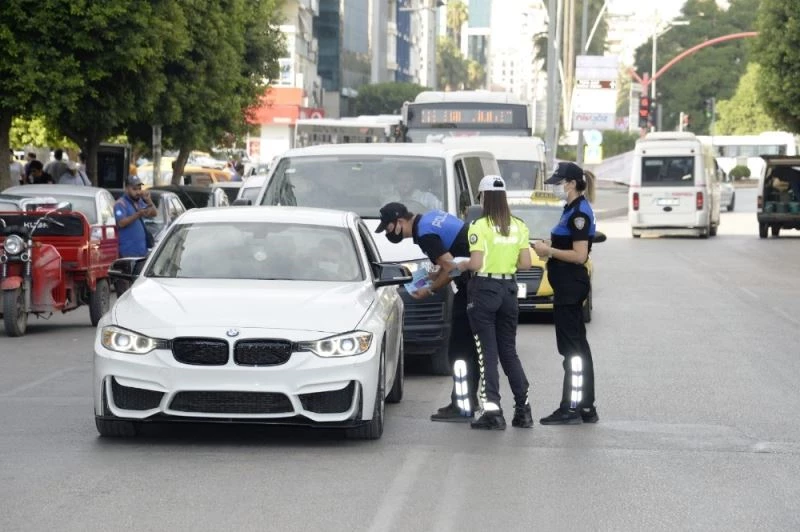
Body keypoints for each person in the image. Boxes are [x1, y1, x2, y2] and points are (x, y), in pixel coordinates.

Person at [375, 201, 480, 422]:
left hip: (471, 287)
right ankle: (467, 401)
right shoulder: (432, 217)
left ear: (400, 221)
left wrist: (430, 290)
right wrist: (434, 275)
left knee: (459, 350)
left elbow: (451, 267)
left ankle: (463, 406)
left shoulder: (424, 235)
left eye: (388, 227)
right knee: (469, 348)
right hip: (479, 283)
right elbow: (452, 258)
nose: (387, 232)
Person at [454, 175, 533, 430]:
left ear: (483, 197)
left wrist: (461, 264)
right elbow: (526, 264)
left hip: (484, 290)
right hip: (509, 290)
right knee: (509, 351)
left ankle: (493, 412)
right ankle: (523, 410)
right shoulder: (519, 225)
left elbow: (475, 264)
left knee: (486, 353)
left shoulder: (479, 226)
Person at [532, 162, 598, 425]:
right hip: (566, 285)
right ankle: (585, 407)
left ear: (571, 183)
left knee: (572, 350)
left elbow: (580, 255)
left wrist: (549, 252)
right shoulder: (571, 209)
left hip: (571, 285)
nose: (558, 187)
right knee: (576, 347)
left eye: (560, 182)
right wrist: (551, 245)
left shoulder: (580, 212)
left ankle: (571, 407)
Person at [114, 175, 157, 293]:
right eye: (134, 189)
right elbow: (121, 223)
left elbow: (154, 213)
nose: (138, 192)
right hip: (126, 254)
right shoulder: (120, 204)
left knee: (139, 289)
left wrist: (148, 201)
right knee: (124, 291)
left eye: (139, 189)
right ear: (126, 188)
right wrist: (138, 214)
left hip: (141, 253)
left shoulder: (139, 202)